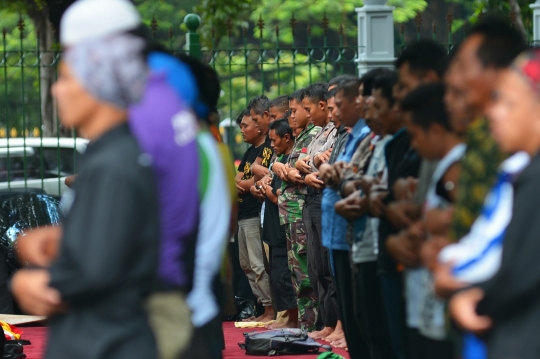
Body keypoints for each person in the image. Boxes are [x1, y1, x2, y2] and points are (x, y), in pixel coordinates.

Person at [11, 31, 159, 359]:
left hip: (108, 342)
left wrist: (32, 284)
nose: (56, 89)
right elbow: (113, 240)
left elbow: (97, 270)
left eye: (66, 78)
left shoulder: (114, 162)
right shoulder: (109, 154)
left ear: (99, 84)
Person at [449, 49, 540, 359]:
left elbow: (522, 272)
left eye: (507, 102)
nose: (493, 112)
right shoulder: (521, 171)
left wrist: (473, 296)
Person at [396, 83, 465, 359]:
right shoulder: (442, 164)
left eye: (414, 135)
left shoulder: (458, 166)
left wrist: (439, 224)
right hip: (427, 300)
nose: (412, 144)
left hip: (446, 305)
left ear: (435, 130)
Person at [445, 17, 527, 243]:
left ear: (494, 71)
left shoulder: (510, 137)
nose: (456, 80)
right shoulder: (479, 131)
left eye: (463, 67)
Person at [319, 76, 371, 357]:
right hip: (337, 232)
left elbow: (356, 178)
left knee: (356, 303)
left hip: (352, 232)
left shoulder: (364, 135)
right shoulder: (350, 134)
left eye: (338, 105)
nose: (334, 113)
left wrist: (337, 176)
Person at [295, 83, 339, 339]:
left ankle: (334, 323)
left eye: (309, 109)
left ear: (323, 106)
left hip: (323, 197)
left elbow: (322, 160)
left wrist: (307, 163)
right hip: (310, 200)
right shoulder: (320, 133)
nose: (307, 114)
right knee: (315, 267)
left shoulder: (335, 132)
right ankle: (327, 323)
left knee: (326, 265)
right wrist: (308, 162)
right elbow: (309, 159)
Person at [276, 88, 320, 331]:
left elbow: (302, 171)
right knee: (296, 270)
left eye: (294, 111)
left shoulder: (314, 135)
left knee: (305, 270)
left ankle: (312, 323)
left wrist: (291, 172)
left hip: (301, 209)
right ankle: (306, 322)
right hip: (291, 213)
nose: (290, 116)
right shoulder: (302, 136)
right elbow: (285, 164)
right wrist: (279, 167)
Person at [236, 110, 274, 323]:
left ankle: (270, 309)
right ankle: (263, 307)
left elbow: (247, 184)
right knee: (246, 264)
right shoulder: (250, 152)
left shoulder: (267, 148)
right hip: (242, 215)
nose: (242, 130)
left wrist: (243, 184)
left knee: (258, 264)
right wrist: (243, 184)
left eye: (245, 125)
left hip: (253, 213)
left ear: (259, 126)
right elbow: (238, 180)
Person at [260, 119, 298, 329]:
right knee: (277, 275)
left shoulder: (292, 160)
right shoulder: (279, 158)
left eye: (274, 141)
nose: (272, 145)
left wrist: (266, 189)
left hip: (286, 227)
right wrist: (264, 183)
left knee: (285, 276)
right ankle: (287, 318)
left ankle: (293, 320)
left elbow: (279, 197)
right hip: (274, 226)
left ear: (286, 138)